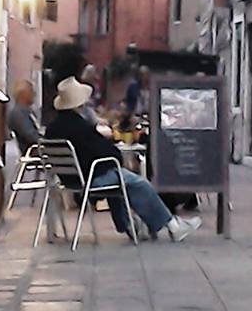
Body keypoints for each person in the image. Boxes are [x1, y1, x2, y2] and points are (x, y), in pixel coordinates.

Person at [44, 78, 202, 242]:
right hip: (91, 177)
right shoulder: (80, 127)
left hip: (70, 180)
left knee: (119, 180)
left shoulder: (52, 129)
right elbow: (105, 151)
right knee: (139, 183)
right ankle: (172, 225)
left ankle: (129, 225)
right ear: (80, 104)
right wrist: (116, 155)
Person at [6, 80, 41, 160]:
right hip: (32, 152)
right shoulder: (19, 114)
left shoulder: (26, 112)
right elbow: (30, 136)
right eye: (31, 91)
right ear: (23, 94)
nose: (34, 94)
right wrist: (47, 140)